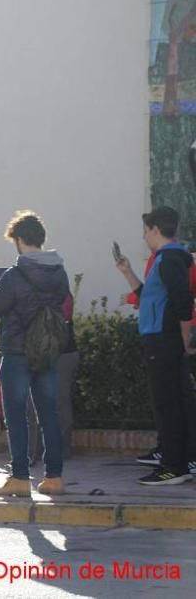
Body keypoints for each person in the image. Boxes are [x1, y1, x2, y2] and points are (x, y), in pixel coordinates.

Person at [0, 211, 70, 496]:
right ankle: (53, 477)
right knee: (48, 414)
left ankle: (20, 478)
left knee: (16, 414)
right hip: (47, 350)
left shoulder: (14, 275)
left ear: (19, 240)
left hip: (17, 352)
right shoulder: (59, 272)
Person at [115, 206, 196, 485]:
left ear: (155, 230)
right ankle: (180, 462)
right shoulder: (165, 259)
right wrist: (128, 272)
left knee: (167, 404)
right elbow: (150, 297)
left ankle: (173, 466)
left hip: (164, 341)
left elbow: (183, 302)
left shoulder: (170, 259)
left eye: (145, 231)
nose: (144, 237)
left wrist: (185, 337)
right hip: (162, 339)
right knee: (172, 401)